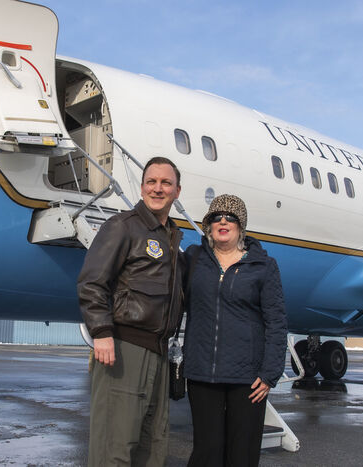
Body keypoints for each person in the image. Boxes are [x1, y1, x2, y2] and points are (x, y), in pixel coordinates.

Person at [77, 156, 184, 466]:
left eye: (166, 183)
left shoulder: (172, 239)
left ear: (177, 191)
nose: (158, 188)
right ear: (141, 188)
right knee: (115, 446)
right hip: (124, 351)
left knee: (152, 447)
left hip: (159, 353)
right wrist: (102, 332)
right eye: (151, 182)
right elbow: (92, 281)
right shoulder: (122, 227)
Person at [182, 194, 288, 467]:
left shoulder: (263, 266)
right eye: (216, 217)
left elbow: (276, 322)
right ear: (208, 225)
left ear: (241, 226)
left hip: (248, 379)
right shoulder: (194, 261)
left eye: (230, 217)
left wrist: (269, 374)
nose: (223, 221)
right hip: (202, 374)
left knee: (242, 453)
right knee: (207, 451)